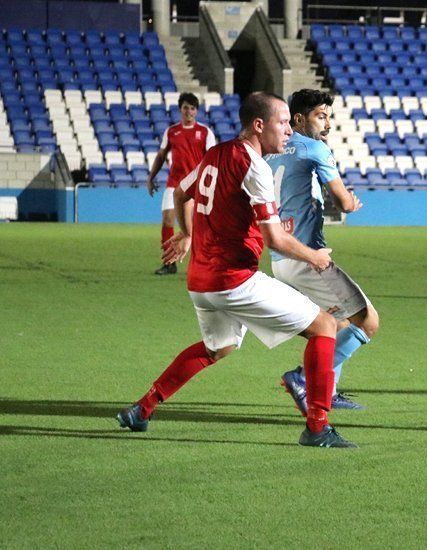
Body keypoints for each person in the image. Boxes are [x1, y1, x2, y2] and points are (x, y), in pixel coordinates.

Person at [117, 92, 356, 448]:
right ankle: (318, 427)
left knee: (219, 347)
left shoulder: (215, 154)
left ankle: (143, 408)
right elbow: (274, 239)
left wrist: (187, 234)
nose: (289, 130)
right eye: (283, 122)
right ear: (259, 125)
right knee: (324, 326)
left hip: (201, 281)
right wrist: (313, 257)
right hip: (234, 280)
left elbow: (183, 193)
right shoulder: (254, 165)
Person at [265, 89, 379, 413]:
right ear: (298, 119)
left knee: (337, 324)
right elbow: (342, 201)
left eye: (329, 116)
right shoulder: (314, 148)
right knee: (366, 322)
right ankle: (303, 378)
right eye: (321, 116)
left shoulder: (270, 152)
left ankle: (326, 391)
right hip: (307, 258)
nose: (327, 123)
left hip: (280, 257)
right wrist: (351, 203)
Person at [146, 92, 216, 275]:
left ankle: (203, 263)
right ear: (180, 109)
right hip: (174, 184)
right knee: (168, 219)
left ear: (197, 111)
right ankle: (169, 263)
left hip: (197, 185)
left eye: (192, 108)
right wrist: (151, 177)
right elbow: (161, 155)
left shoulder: (205, 132)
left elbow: (212, 158)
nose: (189, 111)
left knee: (199, 225)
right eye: (186, 107)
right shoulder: (171, 131)